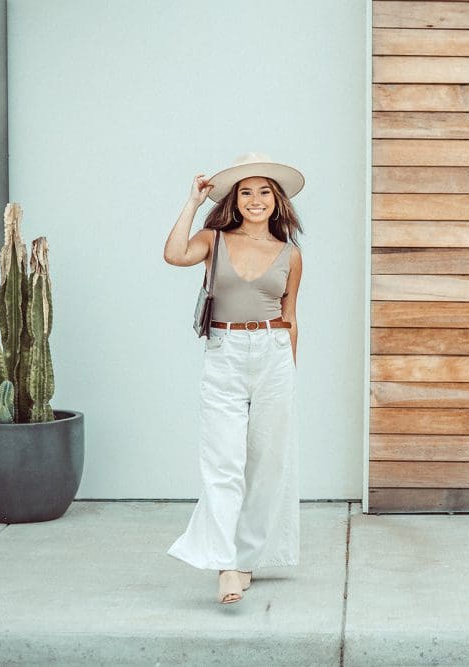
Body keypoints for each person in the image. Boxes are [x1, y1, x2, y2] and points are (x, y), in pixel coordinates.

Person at [162, 152, 304, 604]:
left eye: (264, 192)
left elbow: (291, 317)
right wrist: (191, 202)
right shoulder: (214, 240)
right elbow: (174, 255)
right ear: (235, 201)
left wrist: (289, 371)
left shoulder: (290, 254)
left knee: (267, 462)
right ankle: (224, 564)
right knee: (223, 463)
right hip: (224, 352)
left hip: (274, 354)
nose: (256, 199)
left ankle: (246, 561)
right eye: (246, 192)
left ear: (277, 201)